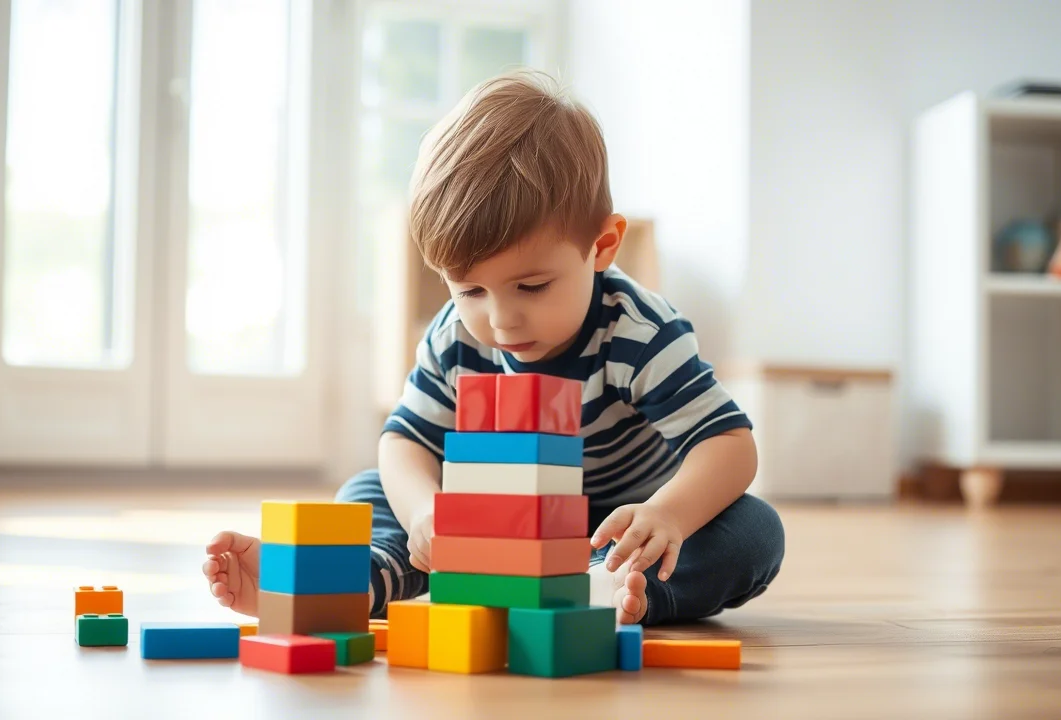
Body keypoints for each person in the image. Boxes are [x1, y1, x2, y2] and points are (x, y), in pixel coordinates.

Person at [203, 70, 784, 626]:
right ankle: (354, 578)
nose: (501, 319)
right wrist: (427, 513)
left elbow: (730, 446)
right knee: (370, 488)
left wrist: (668, 514)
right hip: (490, 522)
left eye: (532, 286)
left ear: (602, 246)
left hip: (612, 528)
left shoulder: (638, 333)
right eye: (471, 289)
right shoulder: (455, 334)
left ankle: (606, 590)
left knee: (755, 531)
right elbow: (404, 442)